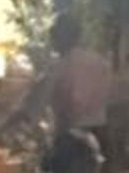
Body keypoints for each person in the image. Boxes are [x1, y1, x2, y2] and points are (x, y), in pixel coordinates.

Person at [42, 9, 112, 153]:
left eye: (54, 34)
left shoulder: (58, 67)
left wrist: (6, 126)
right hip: (100, 136)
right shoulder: (101, 63)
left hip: (69, 141)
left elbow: (33, 103)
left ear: (61, 37)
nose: (51, 39)